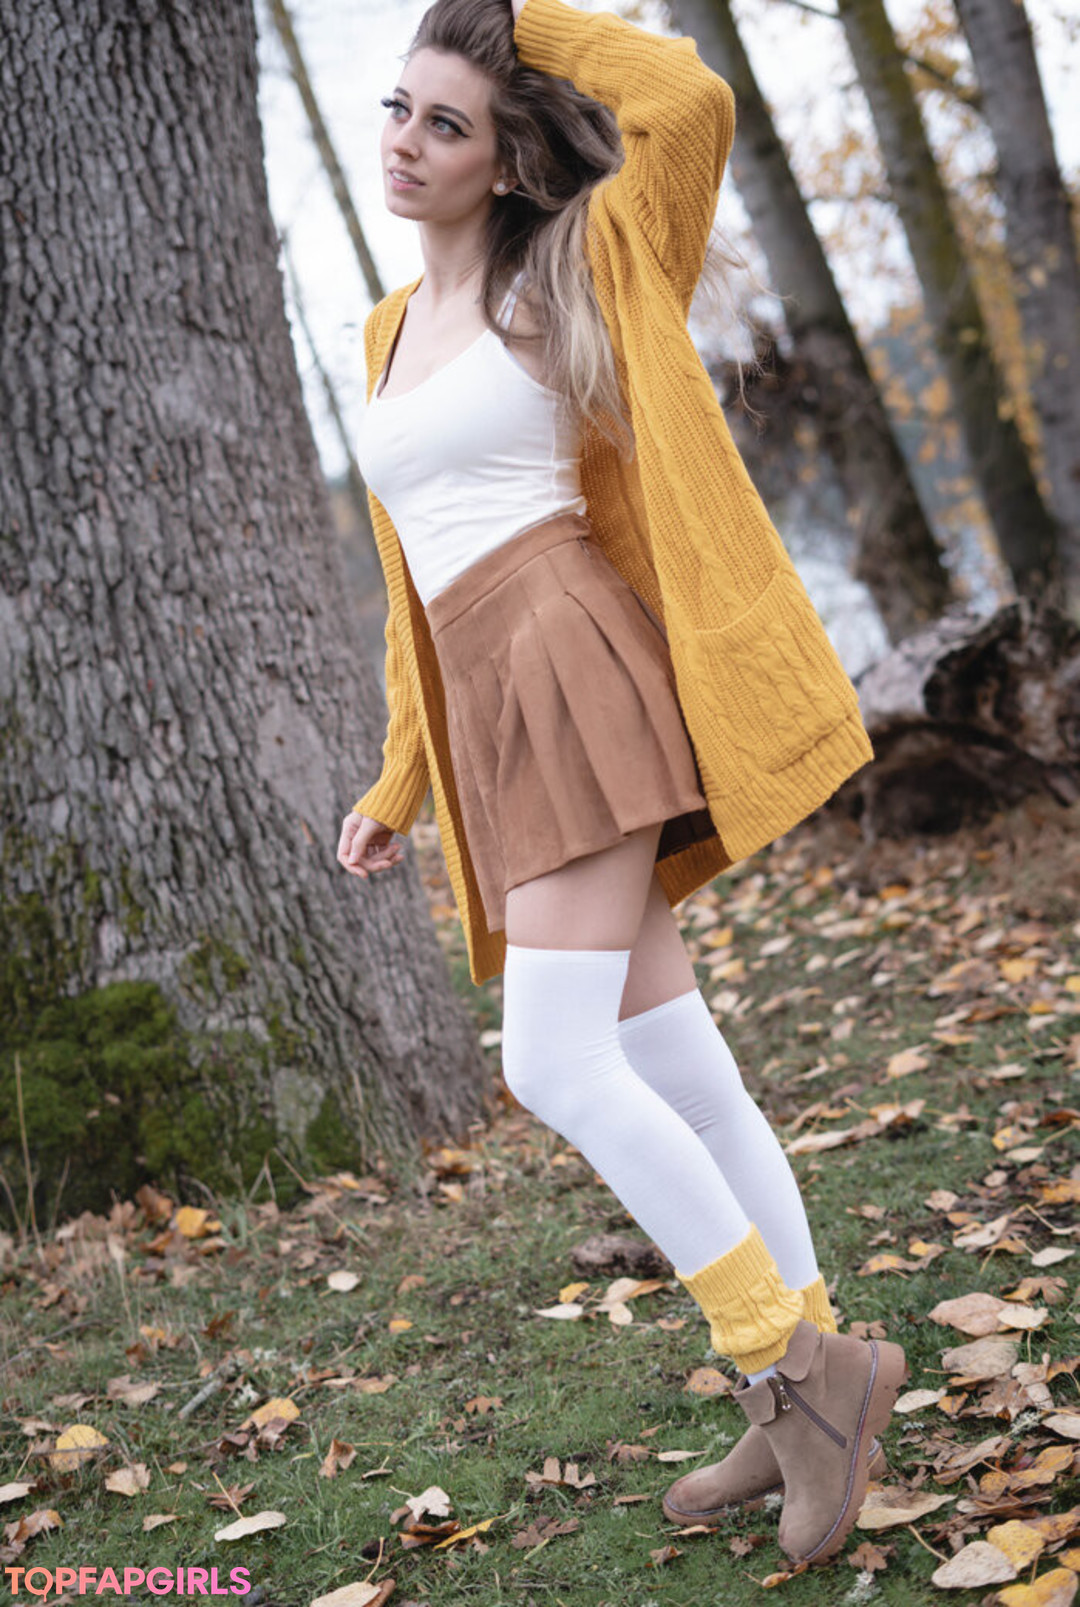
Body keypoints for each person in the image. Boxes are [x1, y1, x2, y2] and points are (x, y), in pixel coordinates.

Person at [336, 0, 906, 1568]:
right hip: (489, 697)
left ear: (507, 155)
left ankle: (794, 1370)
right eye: (400, 108)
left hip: (572, 662)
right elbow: (406, 583)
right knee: (678, 1064)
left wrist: (504, 21)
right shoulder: (383, 331)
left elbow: (690, 101)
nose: (408, 142)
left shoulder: (563, 272)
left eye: (449, 121)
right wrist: (400, 775)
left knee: (553, 1061)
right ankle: (809, 1384)